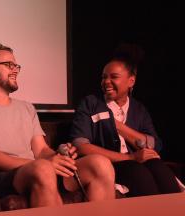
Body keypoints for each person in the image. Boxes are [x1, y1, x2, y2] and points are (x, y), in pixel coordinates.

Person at [0, 44, 115, 208]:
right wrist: (42, 164)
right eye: (8, 65)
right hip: (1, 178)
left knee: (100, 164)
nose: (15, 70)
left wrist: (57, 157)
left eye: (16, 65)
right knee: (43, 168)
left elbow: (40, 150)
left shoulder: (27, 108)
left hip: (37, 171)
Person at [70, 44, 181, 197]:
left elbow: (155, 144)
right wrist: (130, 157)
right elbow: (80, 145)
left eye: (113, 77)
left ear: (131, 81)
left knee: (161, 171)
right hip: (112, 165)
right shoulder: (91, 104)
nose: (106, 82)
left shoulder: (138, 109)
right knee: (137, 172)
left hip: (139, 162)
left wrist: (119, 127)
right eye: (104, 77)